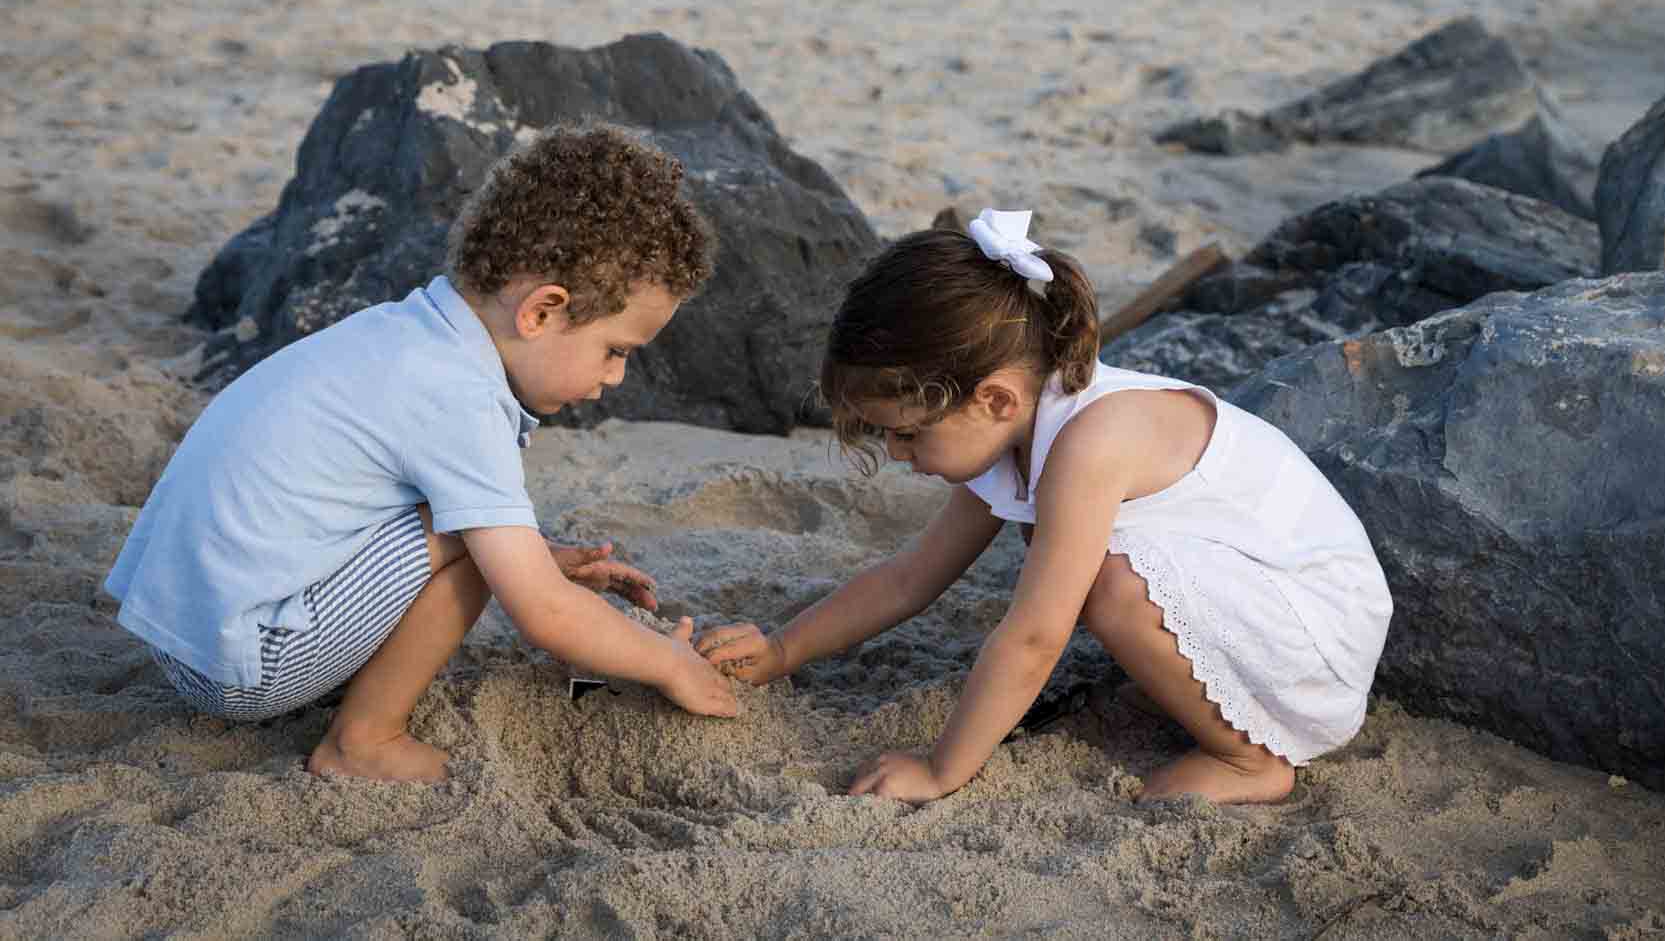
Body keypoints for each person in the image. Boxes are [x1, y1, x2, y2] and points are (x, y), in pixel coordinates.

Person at [104, 124, 738, 783]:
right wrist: (668, 661)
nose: (616, 377)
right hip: (244, 662)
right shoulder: (458, 396)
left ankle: (361, 703)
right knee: (470, 532)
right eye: (616, 350)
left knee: (479, 534)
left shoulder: (407, 338)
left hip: (184, 632)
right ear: (543, 311)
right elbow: (543, 612)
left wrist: (535, 556)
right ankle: (365, 738)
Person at [697, 209, 1392, 805]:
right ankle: (1212, 698)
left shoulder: (1092, 442)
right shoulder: (1015, 424)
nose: (899, 454)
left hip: (1318, 629)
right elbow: (913, 575)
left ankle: (1252, 761)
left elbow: (1035, 636)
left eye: (907, 433)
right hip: (1258, 598)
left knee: (1109, 585)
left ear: (993, 398)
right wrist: (785, 646)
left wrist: (942, 769)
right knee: (1102, 575)